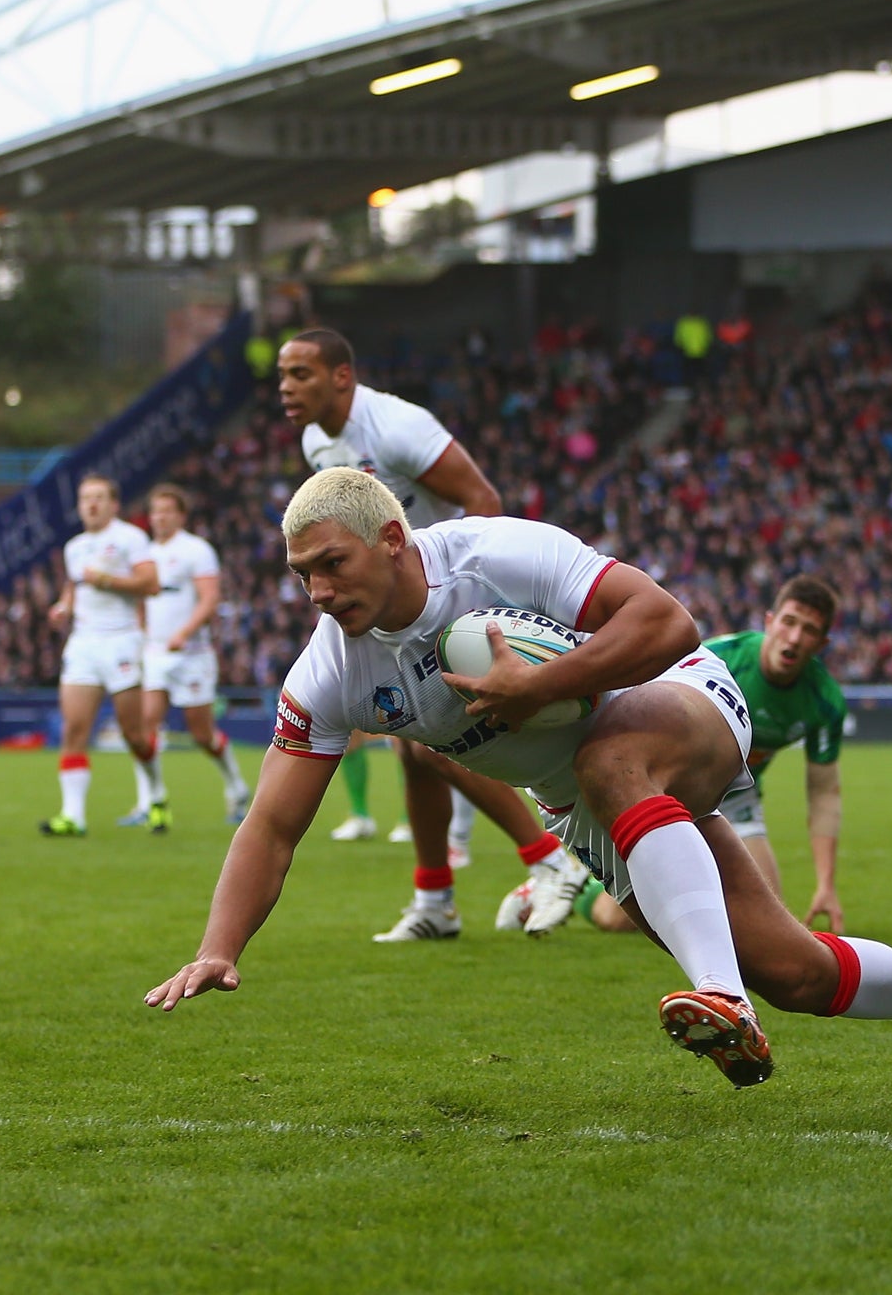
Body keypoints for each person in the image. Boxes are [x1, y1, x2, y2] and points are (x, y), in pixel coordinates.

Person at [145, 469, 892, 1093]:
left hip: (680, 698)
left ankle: (719, 999)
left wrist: (535, 686)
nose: (317, 591)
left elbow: (666, 621)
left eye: (331, 565)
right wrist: (222, 945)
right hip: (592, 806)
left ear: (392, 539)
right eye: (301, 575)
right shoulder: (328, 675)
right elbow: (271, 825)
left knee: (607, 756)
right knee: (799, 973)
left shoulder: (492, 554)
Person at [279, 328, 581, 939]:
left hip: (444, 599)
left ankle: (550, 860)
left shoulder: (396, 426)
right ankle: (436, 899)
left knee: (426, 745)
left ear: (342, 376)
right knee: (410, 751)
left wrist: (471, 605)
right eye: (282, 376)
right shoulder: (317, 440)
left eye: (300, 374)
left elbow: (480, 499)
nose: (286, 388)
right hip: (390, 605)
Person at [556, 576, 849, 936]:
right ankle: (579, 881)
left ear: (821, 643)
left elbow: (823, 795)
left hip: (737, 795)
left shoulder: (824, 701)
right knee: (619, 920)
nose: (793, 638)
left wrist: (826, 885)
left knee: (765, 922)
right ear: (770, 622)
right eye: (789, 622)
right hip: (675, 784)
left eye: (808, 630)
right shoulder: (721, 658)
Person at [40, 475, 164, 836]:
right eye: (85, 499)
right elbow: (75, 586)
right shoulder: (74, 547)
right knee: (74, 729)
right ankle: (73, 816)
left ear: (114, 504)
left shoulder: (130, 538)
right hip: (83, 644)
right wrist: (64, 606)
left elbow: (151, 584)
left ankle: (156, 796)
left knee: (134, 736)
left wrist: (108, 581)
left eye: (98, 498)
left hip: (121, 641)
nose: (91, 505)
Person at [136, 483, 252, 827]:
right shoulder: (144, 554)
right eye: (155, 511)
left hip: (193, 654)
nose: (159, 517)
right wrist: (143, 633)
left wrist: (183, 633)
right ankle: (153, 800)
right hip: (156, 653)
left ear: (180, 515)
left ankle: (236, 785)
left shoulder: (196, 550)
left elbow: (209, 598)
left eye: (166, 510)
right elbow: (141, 599)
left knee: (202, 735)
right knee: (144, 728)